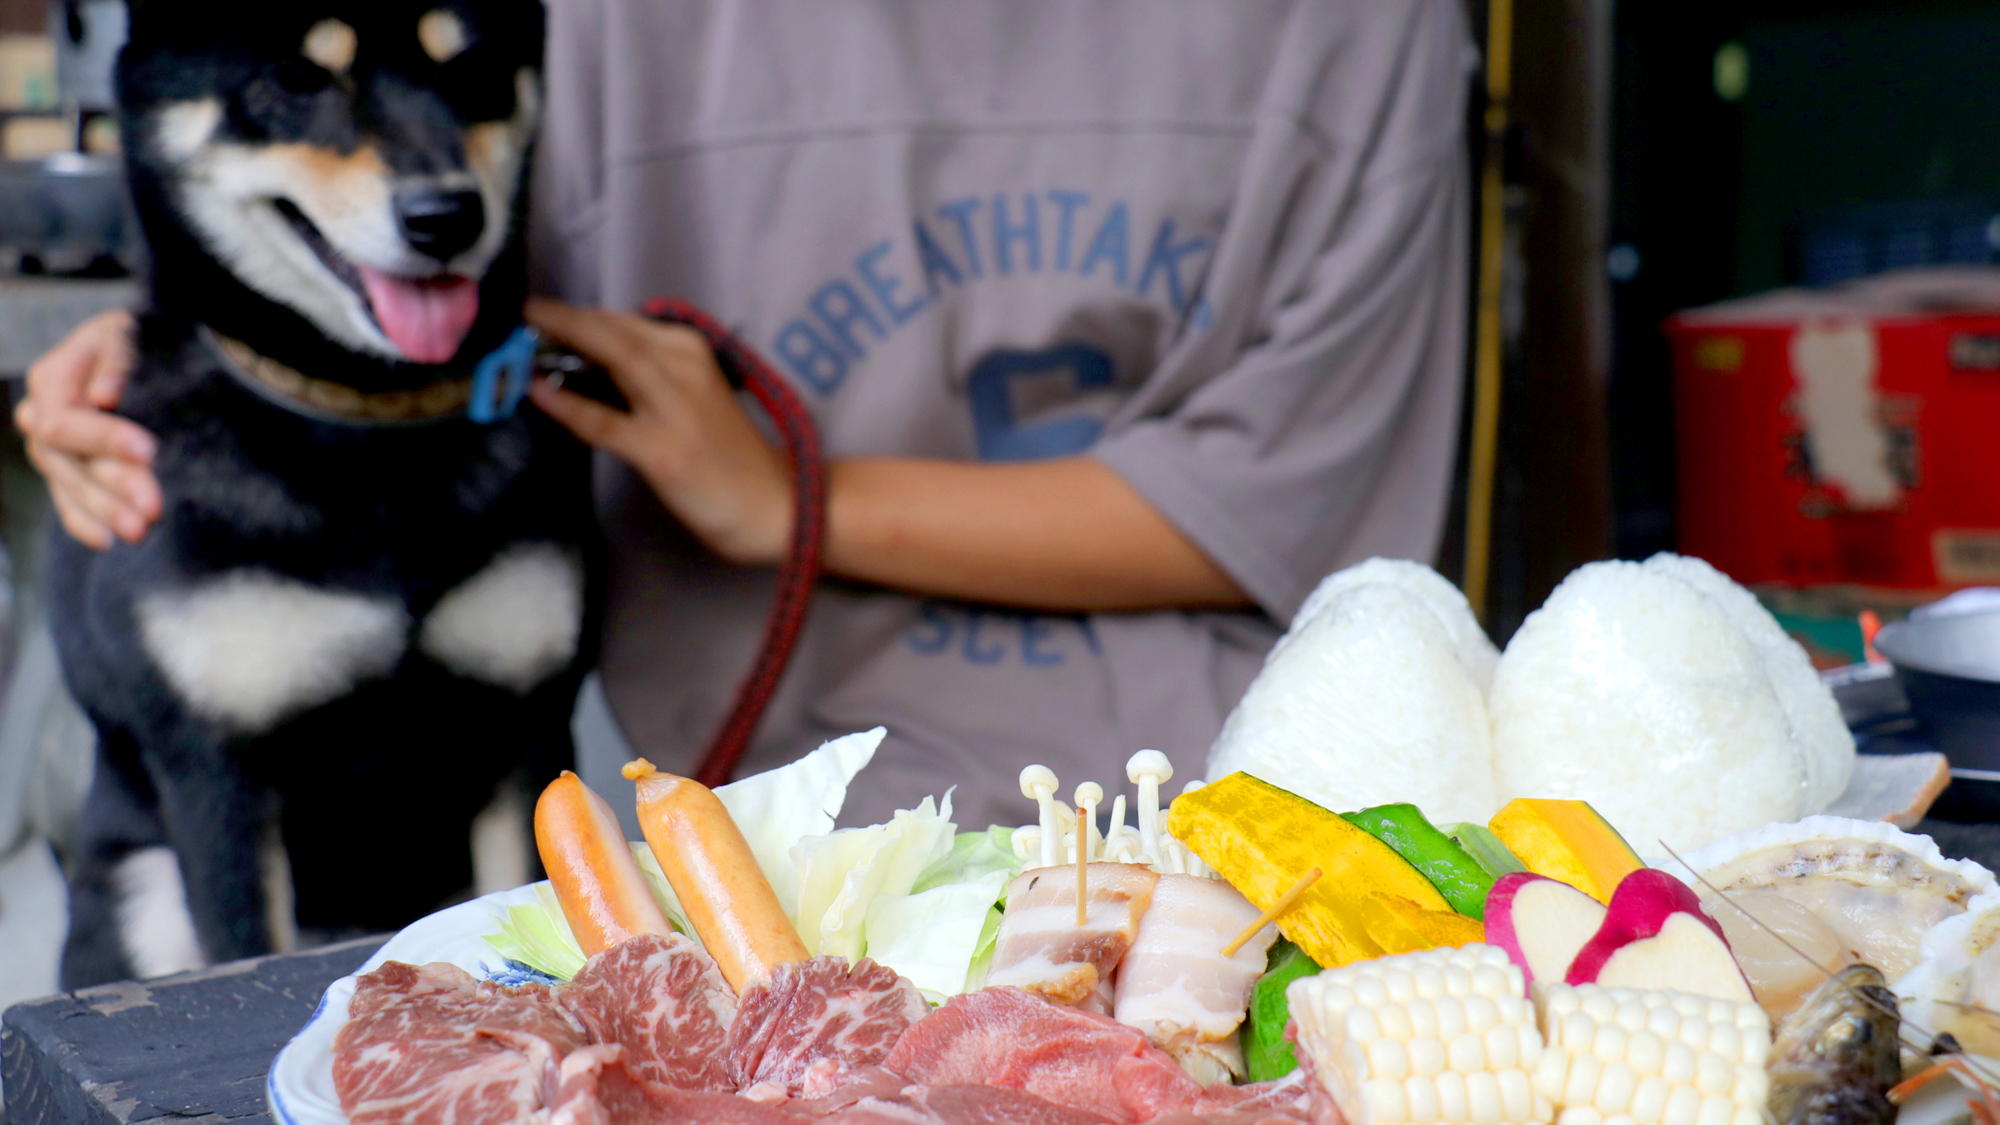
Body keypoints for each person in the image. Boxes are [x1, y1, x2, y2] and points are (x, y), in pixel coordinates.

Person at [17, 0, 1472, 831]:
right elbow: (391, 208)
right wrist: (196, 349)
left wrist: (784, 500)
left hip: (1243, 827)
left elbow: (1285, 508)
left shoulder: (1367, 29)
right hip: (755, 843)